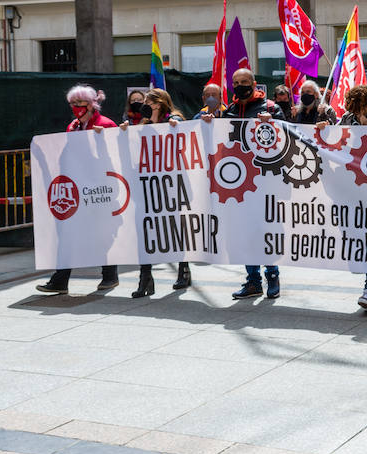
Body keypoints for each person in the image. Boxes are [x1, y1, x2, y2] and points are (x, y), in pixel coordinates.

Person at [205, 69, 284, 300]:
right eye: (236, 83)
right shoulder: (229, 111)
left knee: (264, 229)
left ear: (254, 84)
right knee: (243, 231)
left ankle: (272, 275)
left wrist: (274, 125)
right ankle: (252, 281)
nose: (240, 86)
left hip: (265, 180)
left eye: (245, 82)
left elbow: (289, 138)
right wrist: (211, 124)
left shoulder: (271, 108)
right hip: (238, 182)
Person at [37, 85, 120, 295]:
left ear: (91, 105)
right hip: (77, 189)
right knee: (68, 234)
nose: (75, 108)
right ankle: (60, 279)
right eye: (72, 104)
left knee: (101, 234)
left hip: (99, 189)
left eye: (80, 104)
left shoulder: (105, 124)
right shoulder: (73, 126)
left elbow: (115, 156)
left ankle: (110, 275)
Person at [318, 84, 367, 312]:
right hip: (352, 185)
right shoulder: (348, 119)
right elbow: (336, 143)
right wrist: (324, 128)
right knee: (360, 235)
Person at [131, 90, 191, 297]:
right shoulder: (144, 124)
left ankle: (184, 269)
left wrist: (176, 128)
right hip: (148, 185)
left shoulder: (174, 120)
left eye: (148, 101)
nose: (144, 104)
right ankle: (145, 278)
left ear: (159, 103)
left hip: (172, 183)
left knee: (174, 228)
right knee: (145, 230)